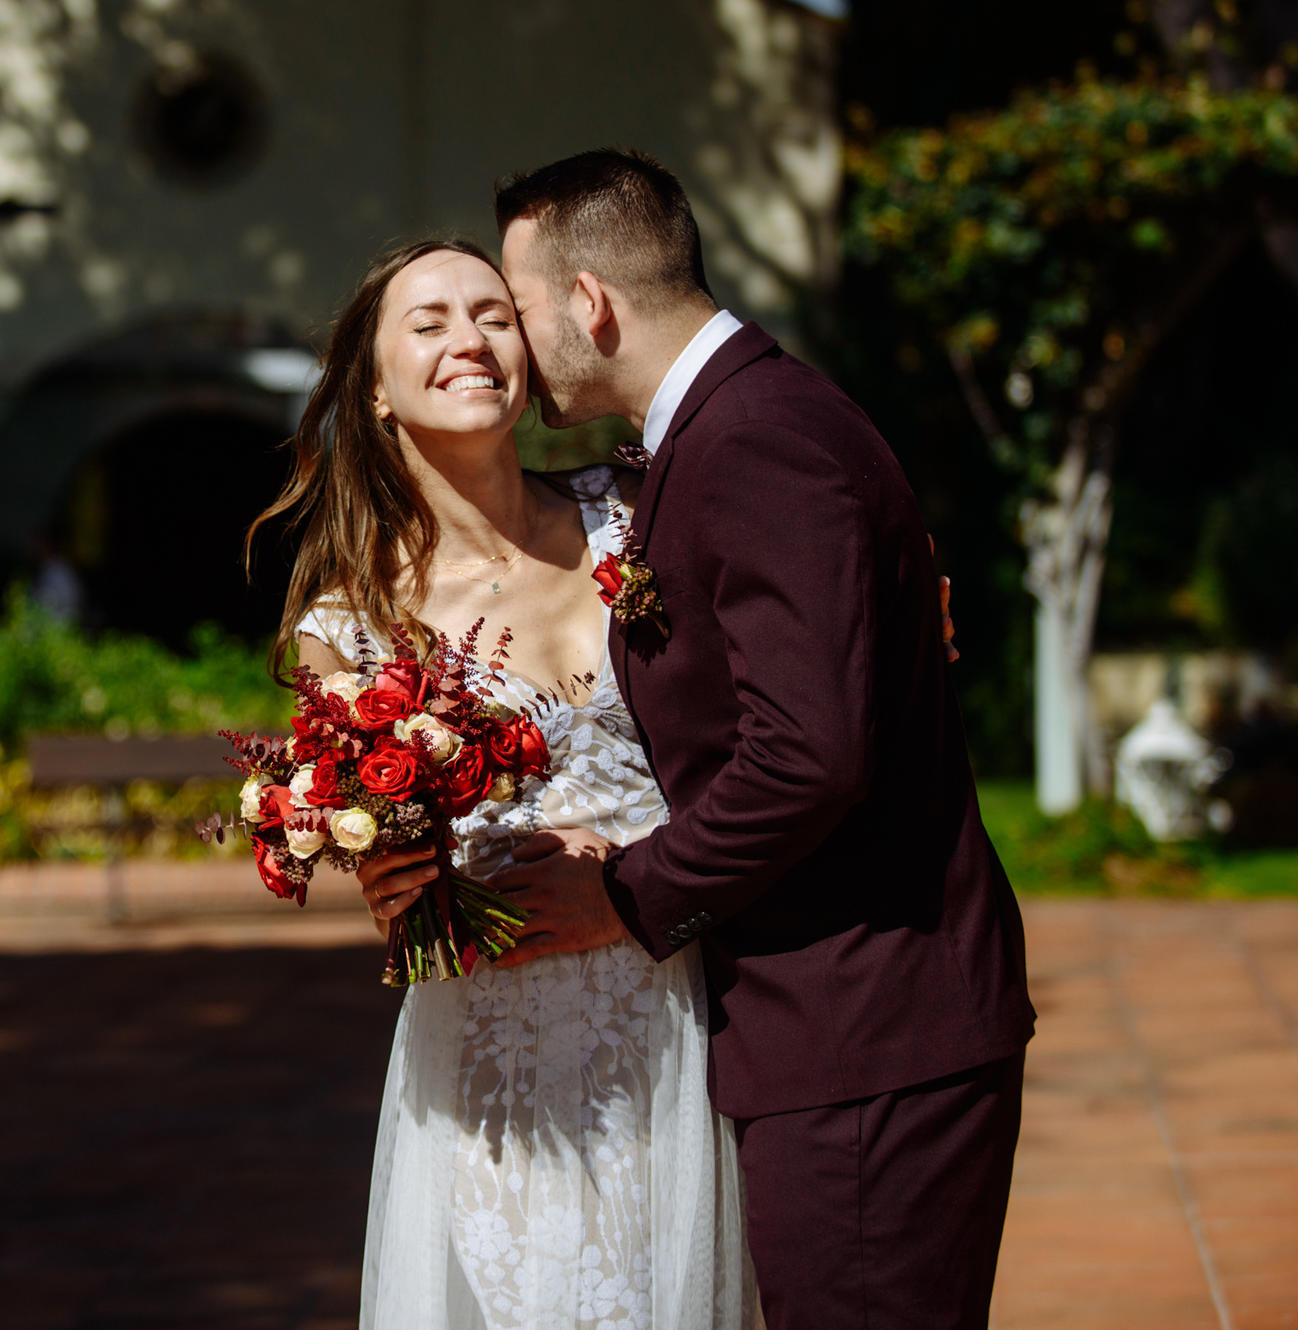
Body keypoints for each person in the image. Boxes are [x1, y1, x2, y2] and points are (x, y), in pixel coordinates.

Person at [464, 148, 1033, 1329]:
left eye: (516, 306)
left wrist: (621, 895)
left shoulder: (755, 438)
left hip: (864, 1024)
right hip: (834, 1024)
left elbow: (807, 754)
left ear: (589, 302)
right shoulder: (727, 427)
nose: (509, 341)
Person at [258, 237, 757, 1330]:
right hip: (494, 1036)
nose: (470, 341)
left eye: (493, 315)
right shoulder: (351, 623)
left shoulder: (635, 512)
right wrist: (390, 871)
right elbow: (376, 860)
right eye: (428, 322)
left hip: (674, 996)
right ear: (375, 389)